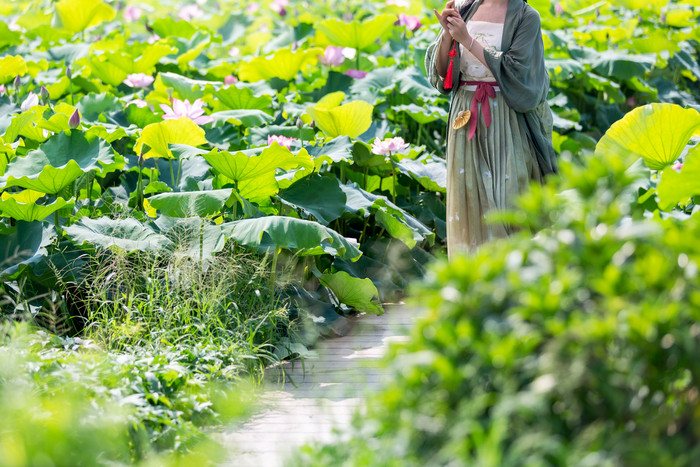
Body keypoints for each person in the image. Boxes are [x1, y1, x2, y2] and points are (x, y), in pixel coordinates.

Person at [426, 0, 557, 258]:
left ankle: (514, 283)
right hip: (465, 115)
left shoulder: (526, 17)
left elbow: (518, 75)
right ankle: (473, 287)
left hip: (506, 117)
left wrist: (467, 39)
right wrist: (446, 35)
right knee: (470, 200)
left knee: (510, 200)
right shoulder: (466, 8)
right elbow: (443, 75)